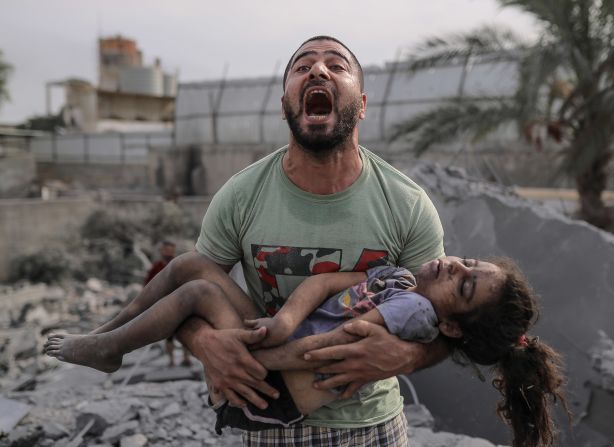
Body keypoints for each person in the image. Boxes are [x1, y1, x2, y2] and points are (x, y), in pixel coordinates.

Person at [74, 35, 447, 446]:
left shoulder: (407, 204)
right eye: (302, 67)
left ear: (361, 104)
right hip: (268, 418)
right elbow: (186, 298)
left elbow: (444, 320)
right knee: (188, 268)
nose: (318, 70)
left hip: (371, 427)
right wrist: (204, 343)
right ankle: (107, 342)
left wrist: (408, 357)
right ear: (285, 104)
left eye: (336, 66)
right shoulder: (241, 195)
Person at [45, 256, 568, 447]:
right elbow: (325, 285)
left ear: (452, 325)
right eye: (469, 262)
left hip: (272, 388)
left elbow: (332, 348)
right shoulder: (403, 279)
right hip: (281, 338)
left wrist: (249, 357)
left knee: (197, 293)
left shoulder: (416, 315)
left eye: (466, 285)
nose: (456, 267)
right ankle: (107, 338)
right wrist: (284, 319)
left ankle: (112, 345)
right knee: (186, 265)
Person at [144, 240, 192, 367]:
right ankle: (171, 361)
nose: (169, 252)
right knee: (169, 334)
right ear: (162, 251)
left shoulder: (179, 264)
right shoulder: (156, 268)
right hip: (164, 305)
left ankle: (186, 358)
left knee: (185, 331)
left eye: (171, 250)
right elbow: (148, 287)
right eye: (166, 250)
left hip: (181, 303)